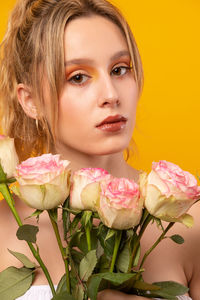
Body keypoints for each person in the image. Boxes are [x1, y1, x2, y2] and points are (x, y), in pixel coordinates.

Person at [0, 0, 199, 299]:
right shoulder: (5, 226)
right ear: (31, 101)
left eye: (120, 69)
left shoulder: (193, 224)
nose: (110, 94)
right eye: (78, 77)